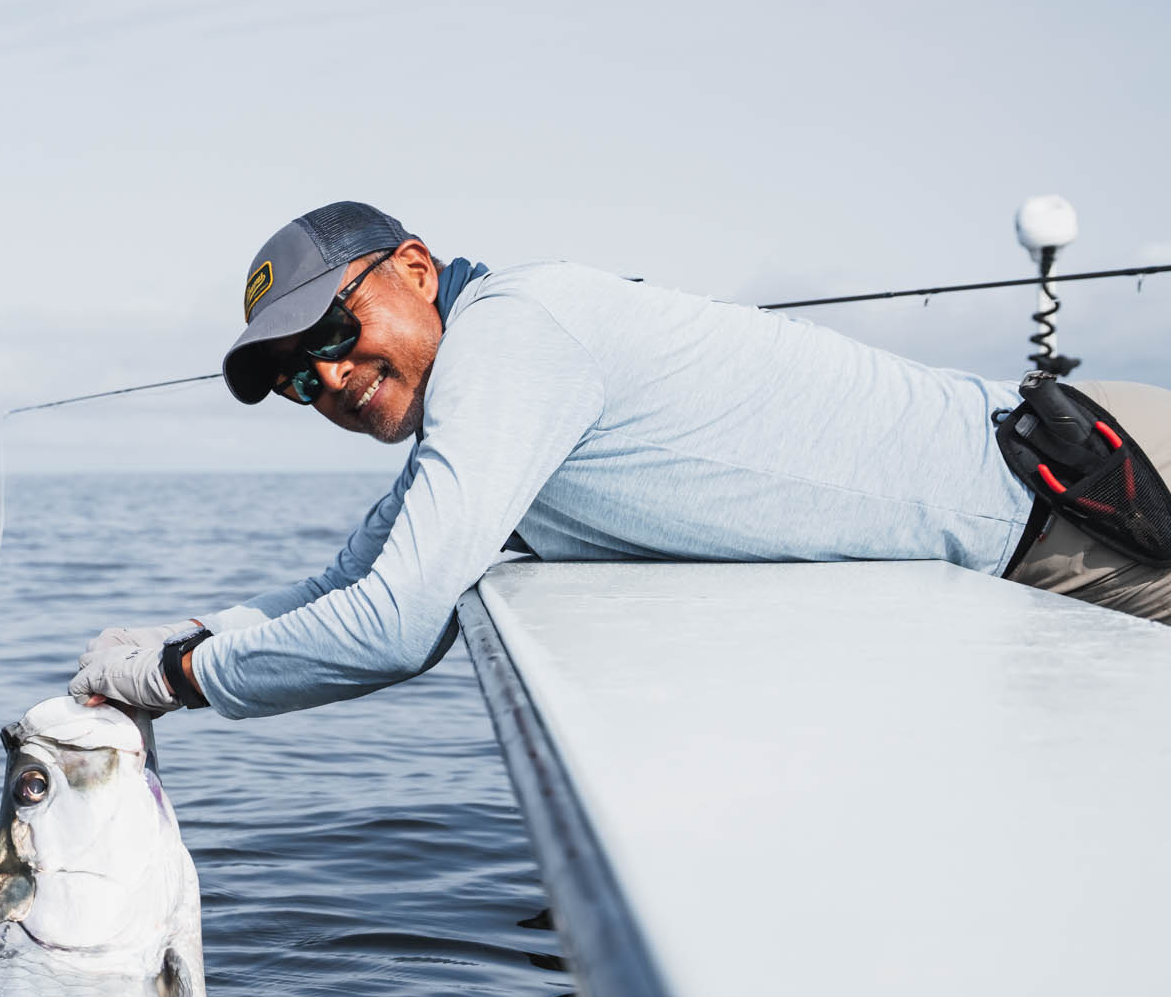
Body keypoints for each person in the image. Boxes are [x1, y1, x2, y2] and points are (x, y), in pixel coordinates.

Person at [68, 201, 1171, 719]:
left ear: (414, 269)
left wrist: (178, 682)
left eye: (332, 331)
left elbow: (396, 623)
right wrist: (186, 636)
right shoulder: (491, 404)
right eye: (295, 379)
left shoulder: (510, 339)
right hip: (1047, 519)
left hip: (1092, 497)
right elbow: (350, 579)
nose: (328, 376)